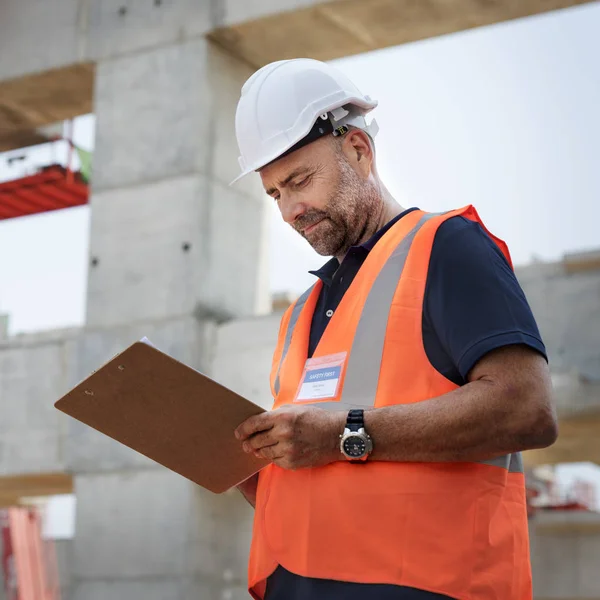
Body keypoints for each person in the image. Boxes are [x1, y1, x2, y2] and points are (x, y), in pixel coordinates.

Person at [230, 58, 558, 600]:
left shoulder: (446, 247)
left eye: (300, 181)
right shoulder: (302, 313)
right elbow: (328, 471)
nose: (290, 210)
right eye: (274, 195)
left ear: (358, 150)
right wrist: (255, 471)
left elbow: (527, 409)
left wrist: (340, 434)